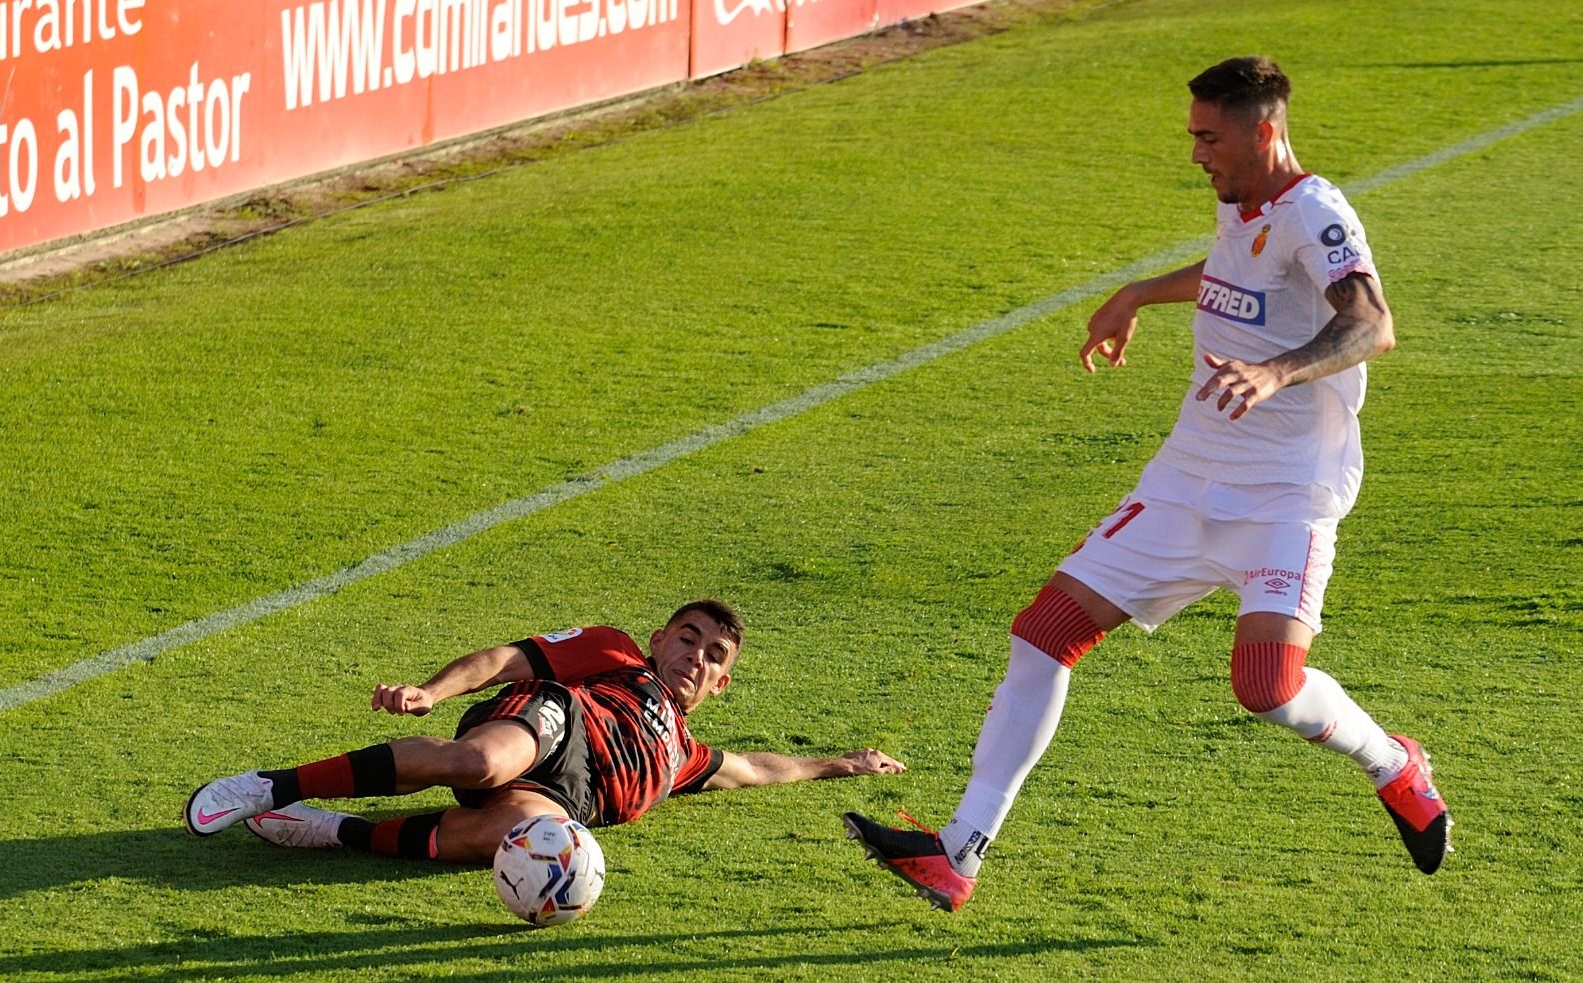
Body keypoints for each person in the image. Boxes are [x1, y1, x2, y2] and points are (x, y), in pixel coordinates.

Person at [844, 57, 1451, 912]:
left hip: (1285, 493)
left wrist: (1277, 374)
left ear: (1264, 132)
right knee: (1045, 630)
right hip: (1189, 474)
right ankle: (959, 853)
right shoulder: (1243, 200)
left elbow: (1370, 324)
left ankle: (1394, 763)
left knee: (1267, 687)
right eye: (1193, 134)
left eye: (1209, 136)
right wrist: (1138, 292)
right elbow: (1234, 277)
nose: (1196, 153)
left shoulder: (1317, 211)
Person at [186, 600, 905, 863]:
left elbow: (756, 768)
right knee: (480, 764)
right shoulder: (616, 653)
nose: (695, 654)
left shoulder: (684, 755)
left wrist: (840, 764)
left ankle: (331, 829)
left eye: (713, 656)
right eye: (688, 638)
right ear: (660, 640)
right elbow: (506, 659)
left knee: (506, 838)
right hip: (557, 722)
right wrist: (431, 690)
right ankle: (267, 786)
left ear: (721, 684)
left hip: (574, 798)